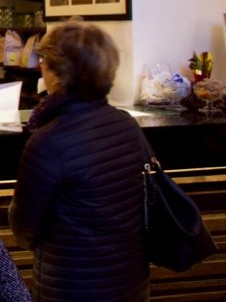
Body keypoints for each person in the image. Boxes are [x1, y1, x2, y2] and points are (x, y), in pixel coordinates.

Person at [9, 21, 149, 302]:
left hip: (72, 286)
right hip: (131, 281)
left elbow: (24, 229)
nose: (41, 67)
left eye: (45, 61)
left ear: (61, 75)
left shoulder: (48, 141)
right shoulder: (126, 125)